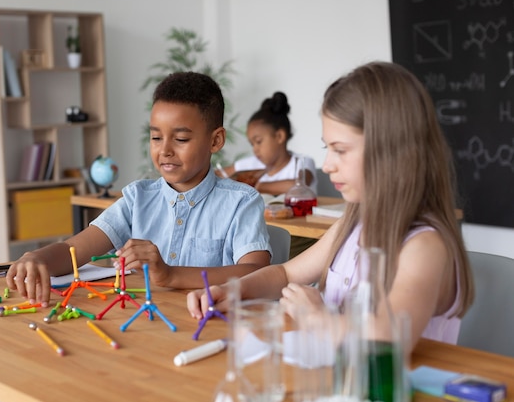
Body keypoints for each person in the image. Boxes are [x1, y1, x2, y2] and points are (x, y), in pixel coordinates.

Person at [188, 61, 474, 349]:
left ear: (391, 151)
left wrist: (317, 318)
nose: (328, 165)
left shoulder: (424, 245)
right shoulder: (353, 225)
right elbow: (285, 274)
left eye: (340, 150)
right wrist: (233, 290)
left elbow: (390, 341)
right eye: (328, 149)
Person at [7, 71, 271, 306]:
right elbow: (74, 251)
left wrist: (170, 274)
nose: (165, 150)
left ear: (215, 140)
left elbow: (256, 272)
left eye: (180, 139)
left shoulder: (241, 202)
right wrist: (36, 257)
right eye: (156, 137)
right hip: (145, 327)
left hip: (209, 329)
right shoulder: (137, 198)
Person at [220, 91, 318, 196]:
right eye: (252, 144)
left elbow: (299, 185)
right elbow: (220, 173)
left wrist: (256, 185)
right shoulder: (253, 163)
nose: (255, 149)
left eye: (258, 142)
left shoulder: (301, 162)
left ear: (279, 136)